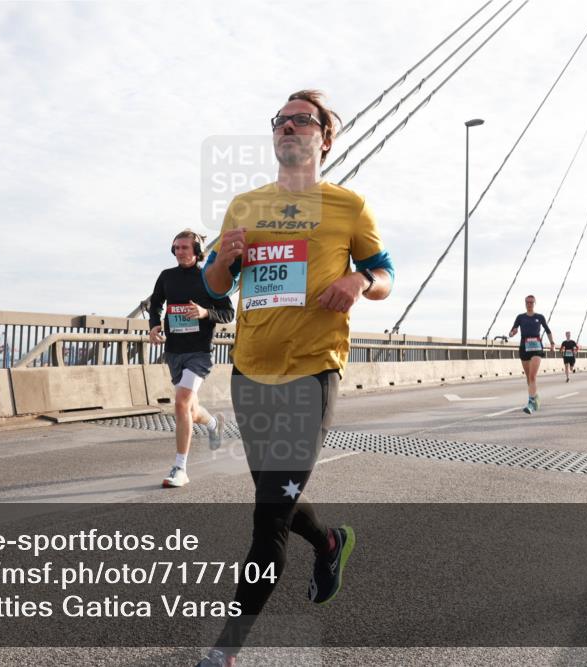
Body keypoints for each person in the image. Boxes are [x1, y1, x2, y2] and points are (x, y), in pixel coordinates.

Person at [198, 89, 394, 667]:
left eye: (301, 120)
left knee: (267, 520)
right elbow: (213, 288)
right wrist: (223, 262)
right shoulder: (244, 205)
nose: (288, 127)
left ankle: (226, 649)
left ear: (324, 138)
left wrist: (359, 283)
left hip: (313, 371)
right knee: (272, 497)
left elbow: (384, 274)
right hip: (250, 371)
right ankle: (330, 541)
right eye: (280, 121)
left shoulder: (349, 206)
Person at [148, 230, 234, 488]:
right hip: (174, 350)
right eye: (175, 248)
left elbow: (228, 313)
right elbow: (155, 305)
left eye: (185, 247)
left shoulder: (208, 277)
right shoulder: (166, 276)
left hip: (200, 352)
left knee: (181, 402)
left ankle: (180, 468)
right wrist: (154, 326)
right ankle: (212, 422)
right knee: (190, 409)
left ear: (197, 250)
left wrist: (205, 312)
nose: (179, 252)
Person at [508, 296, 555, 414]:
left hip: (536, 347)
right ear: (525, 303)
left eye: (531, 302)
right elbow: (513, 330)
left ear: (535, 303)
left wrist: (552, 343)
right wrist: (512, 332)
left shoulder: (539, 317)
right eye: (527, 302)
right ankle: (535, 397)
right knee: (529, 377)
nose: (529, 304)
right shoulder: (520, 317)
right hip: (524, 347)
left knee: (533, 376)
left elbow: (548, 330)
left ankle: (531, 403)